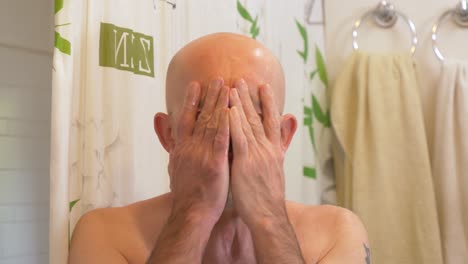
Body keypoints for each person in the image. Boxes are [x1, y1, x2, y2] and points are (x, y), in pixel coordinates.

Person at [68, 32, 369, 264]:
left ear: (283, 136)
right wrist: (192, 214)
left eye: (252, 118)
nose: (229, 136)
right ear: (168, 135)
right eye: (205, 117)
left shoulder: (336, 232)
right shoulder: (107, 234)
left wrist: (268, 218)